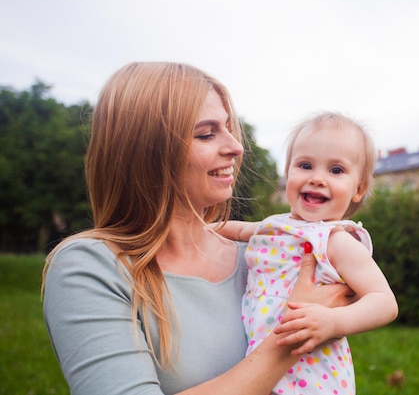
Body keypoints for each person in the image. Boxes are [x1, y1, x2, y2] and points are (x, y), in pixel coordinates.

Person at [41, 62, 355, 395]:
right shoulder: (91, 267)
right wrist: (289, 339)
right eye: (206, 134)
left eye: (228, 128)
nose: (236, 146)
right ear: (148, 150)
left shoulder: (264, 258)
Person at [213, 112, 399, 394]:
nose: (317, 178)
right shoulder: (275, 226)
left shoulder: (336, 240)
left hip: (312, 377)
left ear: (358, 189)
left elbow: (385, 302)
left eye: (336, 170)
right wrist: (199, 228)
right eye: (305, 165)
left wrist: (334, 322)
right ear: (288, 173)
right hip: (261, 368)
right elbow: (239, 231)